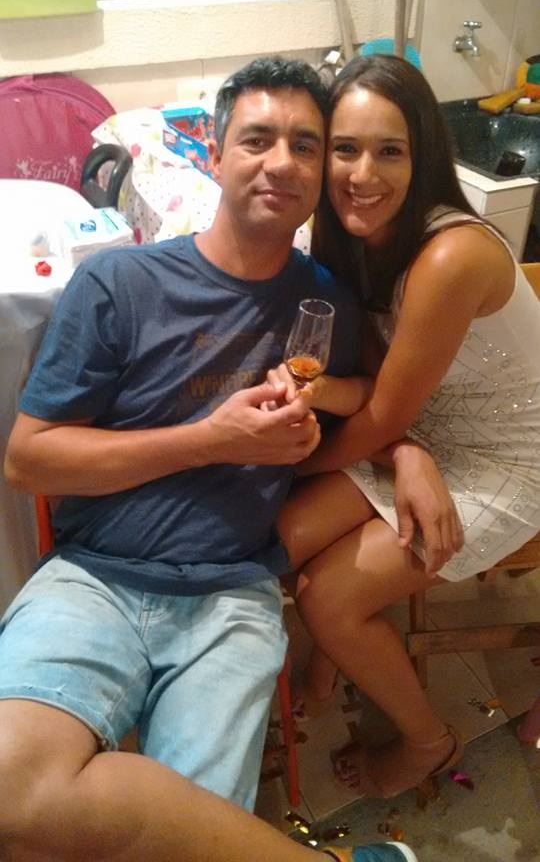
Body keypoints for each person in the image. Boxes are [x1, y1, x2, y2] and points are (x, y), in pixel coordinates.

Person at [0, 55, 426, 862]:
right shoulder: (120, 283)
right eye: (258, 139)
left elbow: (368, 397)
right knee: (13, 795)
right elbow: (29, 461)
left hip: (230, 593)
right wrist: (213, 439)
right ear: (215, 154)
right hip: (93, 579)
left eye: (306, 146)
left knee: (161, 844)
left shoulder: (326, 305)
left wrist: (406, 453)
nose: (282, 163)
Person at [270, 53, 540, 799]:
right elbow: (375, 376)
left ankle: (428, 740)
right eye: (346, 149)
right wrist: (407, 450)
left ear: (423, 158)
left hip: (512, 458)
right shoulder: (350, 235)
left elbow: (384, 405)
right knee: (281, 540)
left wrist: (298, 460)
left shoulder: (451, 254)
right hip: (422, 429)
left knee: (326, 595)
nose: (363, 175)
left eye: (390, 151)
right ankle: (335, 659)